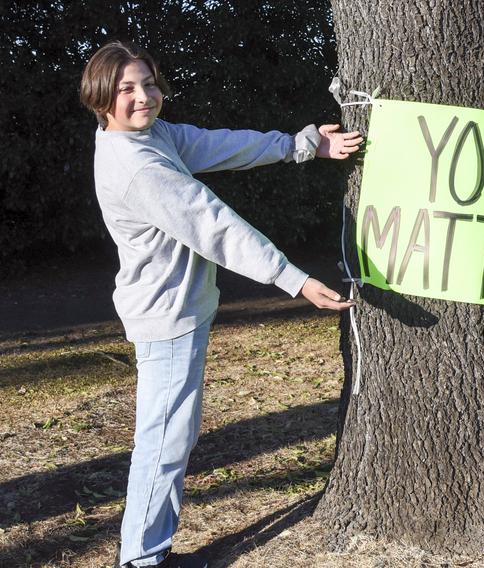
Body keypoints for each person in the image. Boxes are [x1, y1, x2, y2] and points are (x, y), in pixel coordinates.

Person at [80, 40, 362, 568]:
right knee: (165, 437)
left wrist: (301, 145)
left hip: (181, 309)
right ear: (101, 98)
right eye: (127, 89)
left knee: (171, 433)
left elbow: (218, 145)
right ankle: (142, 559)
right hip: (166, 317)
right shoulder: (138, 167)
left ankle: (145, 552)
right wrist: (293, 279)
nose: (145, 97)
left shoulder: (151, 136)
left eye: (149, 83)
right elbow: (213, 225)